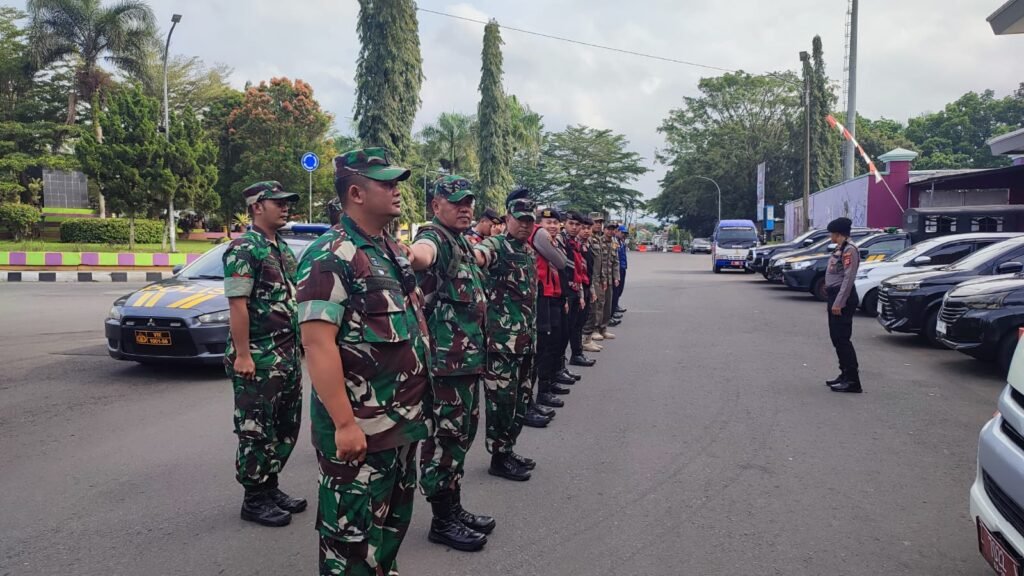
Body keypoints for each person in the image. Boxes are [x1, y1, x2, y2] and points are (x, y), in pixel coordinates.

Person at [295, 148, 430, 574]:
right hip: (361, 432)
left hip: (399, 426)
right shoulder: (331, 255)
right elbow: (317, 344)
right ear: (356, 193)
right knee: (350, 547)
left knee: (388, 533)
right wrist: (344, 424)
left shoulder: (388, 250)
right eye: (386, 183)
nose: (397, 190)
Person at [409, 175, 492, 552]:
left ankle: (454, 507)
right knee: (445, 440)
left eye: (468, 202)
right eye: (456, 202)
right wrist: (411, 254)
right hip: (445, 367)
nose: (465, 208)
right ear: (436, 206)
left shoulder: (460, 241)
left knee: (461, 437)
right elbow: (422, 253)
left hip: (466, 363)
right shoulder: (436, 238)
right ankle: (442, 520)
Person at [223, 181, 306, 528]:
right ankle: (254, 498)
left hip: (286, 356)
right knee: (255, 429)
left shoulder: (282, 248)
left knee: (285, 427)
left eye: (287, 203)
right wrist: (243, 355)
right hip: (259, 358)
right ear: (257, 207)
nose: (285, 207)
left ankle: (270, 486)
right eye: (278, 203)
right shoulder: (244, 249)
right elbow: (237, 305)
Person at [473, 189, 546, 482]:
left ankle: (508, 449)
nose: (525, 225)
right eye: (520, 219)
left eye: (530, 220)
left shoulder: (527, 251)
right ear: (507, 219)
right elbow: (481, 254)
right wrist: (474, 255)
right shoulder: (498, 245)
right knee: (501, 402)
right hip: (502, 344)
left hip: (526, 341)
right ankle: (499, 457)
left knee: (520, 401)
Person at [531, 208, 573, 408]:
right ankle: (542, 392)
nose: (553, 226)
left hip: (554, 295)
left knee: (554, 342)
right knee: (544, 347)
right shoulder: (539, 236)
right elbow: (561, 262)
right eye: (548, 223)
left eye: (556, 223)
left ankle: (548, 385)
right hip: (543, 297)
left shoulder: (554, 240)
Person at [823, 217, 862, 394]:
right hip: (835, 295)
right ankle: (844, 374)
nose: (830, 236)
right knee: (836, 338)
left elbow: (848, 278)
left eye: (832, 233)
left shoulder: (849, 250)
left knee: (842, 339)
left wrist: (839, 302)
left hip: (842, 298)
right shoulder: (841, 248)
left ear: (838, 234)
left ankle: (853, 380)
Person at [583, 212, 609, 351]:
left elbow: (601, 262)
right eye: (596, 222)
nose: (598, 224)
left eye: (600, 222)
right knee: (592, 308)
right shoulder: (588, 240)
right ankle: (589, 335)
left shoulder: (597, 239)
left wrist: (603, 277)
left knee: (600, 304)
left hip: (598, 277)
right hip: (590, 278)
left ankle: (596, 331)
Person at [594, 221, 620, 342]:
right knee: (599, 304)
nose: (610, 231)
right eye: (608, 229)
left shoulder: (614, 244)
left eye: (613, 229)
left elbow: (616, 262)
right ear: (604, 230)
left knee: (608, 305)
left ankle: (603, 328)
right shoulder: (599, 242)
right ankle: (595, 329)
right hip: (600, 279)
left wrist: (616, 277)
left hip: (609, 279)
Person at [611, 225, 628, 323]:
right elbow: (614, 255)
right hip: (617, 269)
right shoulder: (614, 242)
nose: (623, 235)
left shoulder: (622, 242)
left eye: (625, 234)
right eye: (622, 233)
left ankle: (616, 306)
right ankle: (612, 311)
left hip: (622, 267)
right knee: (615, 291)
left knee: (620, 289)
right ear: (617, 232)